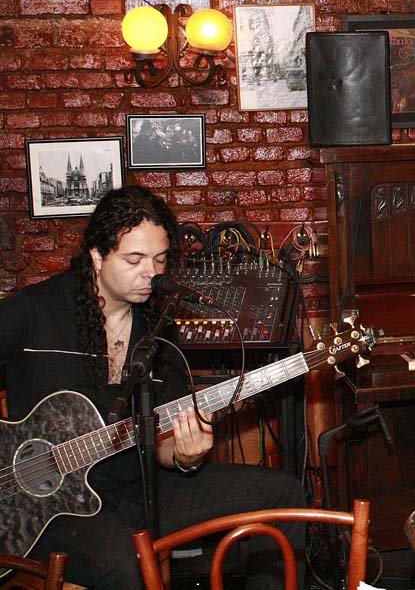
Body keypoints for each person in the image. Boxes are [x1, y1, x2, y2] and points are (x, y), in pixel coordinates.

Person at [0, 186, 306, 589]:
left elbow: (164, 442)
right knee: (122, 563)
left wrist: (185, 455)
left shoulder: (159, 329)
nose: (151, 273)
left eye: (160, 260)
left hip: (140, 488)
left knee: (282, 494)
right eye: (134, 259)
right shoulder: (33, 312)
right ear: (97, 256)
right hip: (44, 509)